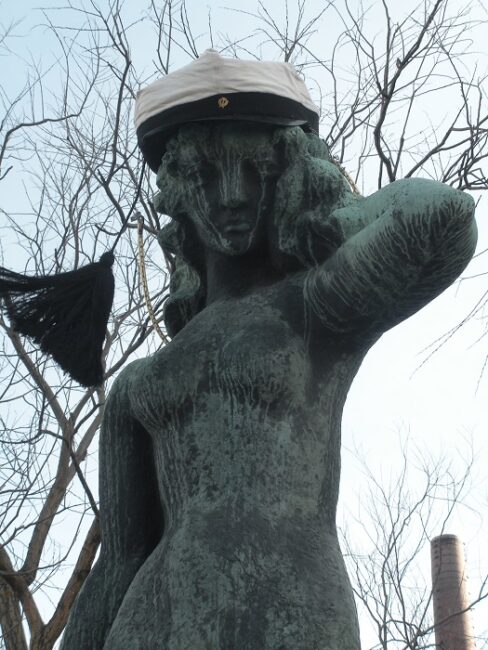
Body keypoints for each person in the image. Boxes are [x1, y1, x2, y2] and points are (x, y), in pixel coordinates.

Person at [60, 51, 477, 650]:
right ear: (178, 194)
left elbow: (442, 216)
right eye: (205, 175)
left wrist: (330, 216)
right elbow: (117, 564)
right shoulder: (136, 386)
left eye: (254, 168)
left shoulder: (313, 308)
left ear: (289, 173)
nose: (230, 195)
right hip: (152, 623)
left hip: (289, 604)